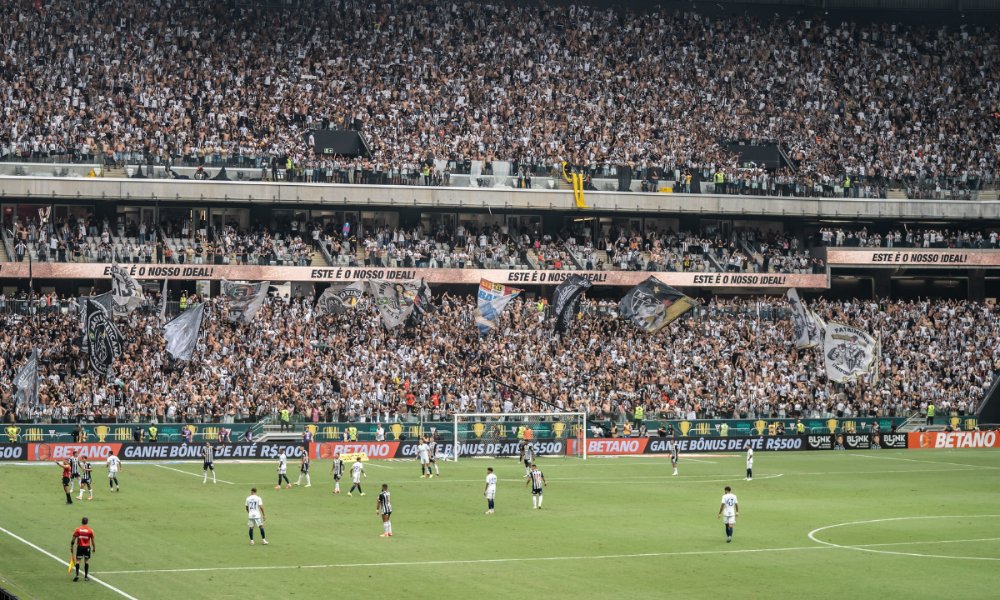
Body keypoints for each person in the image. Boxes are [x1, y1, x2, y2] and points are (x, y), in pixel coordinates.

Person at [70, 517, 95, 582]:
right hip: (87, 547)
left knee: (78, 561)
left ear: (82, 521)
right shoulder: (90, 530)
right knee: (86, 561)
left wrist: (71, 545)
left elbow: (73, 539)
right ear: (87, 522)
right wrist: (94, 547)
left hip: (80, 547)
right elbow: (92, 540)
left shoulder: (78, 529)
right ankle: (86, 576)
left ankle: (77, 575)